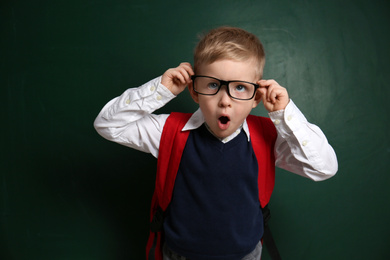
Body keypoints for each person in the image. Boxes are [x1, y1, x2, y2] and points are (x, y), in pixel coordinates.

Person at [94, 26, 338, 260]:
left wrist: (284, 114)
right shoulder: (169, 131)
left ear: (257, 97)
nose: (225, 101)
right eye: (213, 85)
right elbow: (108, 124)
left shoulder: (267, 137)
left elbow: (324, 168)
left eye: (240, 87)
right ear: (194, 91)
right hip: (178, 254)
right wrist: (161, 90)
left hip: (245, 254)